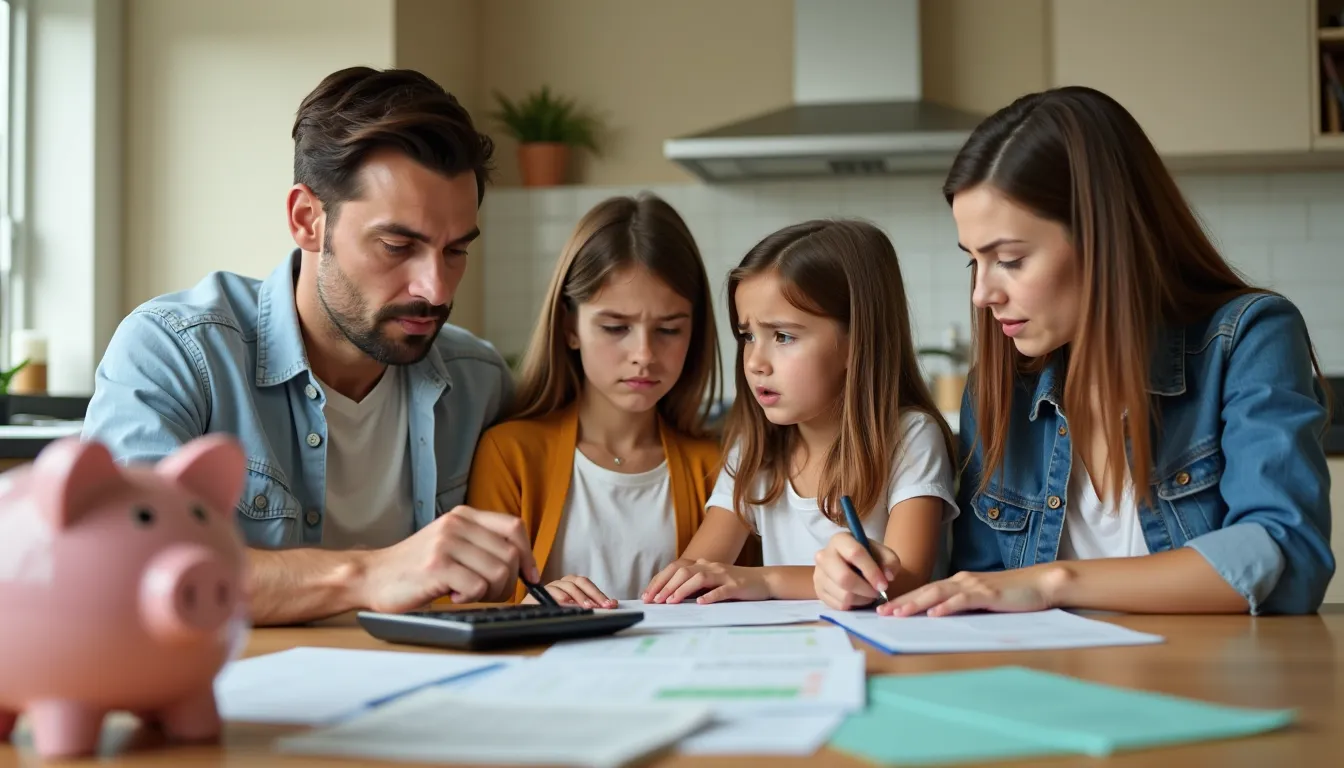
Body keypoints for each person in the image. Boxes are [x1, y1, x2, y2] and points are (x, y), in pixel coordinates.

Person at [833, 86, 1335, 617]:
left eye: (1009, 259)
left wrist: (1055, 582)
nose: (982, 295)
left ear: (1104, 238)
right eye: (973, 263)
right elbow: (979, 588)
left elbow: (1287, 558)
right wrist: (874, 575)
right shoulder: (1000, 386)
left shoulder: (1248, 339)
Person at [81, 67, 539, 626]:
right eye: (398, 246)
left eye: (455, 251)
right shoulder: (177, 352)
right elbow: (122, 568)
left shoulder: (480, 381)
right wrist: (369, 574)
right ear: (307, 220)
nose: (436, 289)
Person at [642, 219, 958, 606]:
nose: (756, 361)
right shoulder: (754, 452)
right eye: (748, 336)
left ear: (856, 341)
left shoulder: (910, 438)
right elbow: (700, 568)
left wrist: (768, 581)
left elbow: (902, 580)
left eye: (784, 336)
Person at [466, 193, 736, 607]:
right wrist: (531, 605)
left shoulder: (715, 469)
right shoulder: (510, 454)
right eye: (615, 327)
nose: (644, 355)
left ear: (694, 333)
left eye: (668, 330)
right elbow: (469, 604)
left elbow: (741, 605)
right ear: (570, 326)